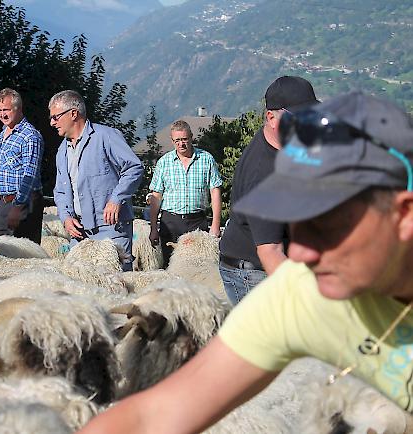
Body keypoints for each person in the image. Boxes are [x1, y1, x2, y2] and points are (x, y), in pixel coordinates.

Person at [78, 91, 413, 433]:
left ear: (403, 215)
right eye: (295, 225)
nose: (299, 253)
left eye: (326, 227)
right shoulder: (301, 294)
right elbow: (157, 414)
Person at [218, 76, 318, 305]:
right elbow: (270, 251)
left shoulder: (281, 143)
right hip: (253, 273)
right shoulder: (264, 176)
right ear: (271, 118)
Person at [50, 90, 143, 271]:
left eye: (55, 117)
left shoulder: (106, 136)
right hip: (79, 234)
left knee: (117, 288)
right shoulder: (63, 149)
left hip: (111, 229)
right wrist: (66, 217)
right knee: (80, 289)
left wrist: (117, 199)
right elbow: (60, 191)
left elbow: (134, 168)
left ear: (73, 113)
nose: (52, 123)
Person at [148, 120, 222, 268]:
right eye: (177, 141)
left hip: (197, 222)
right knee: (170, 269)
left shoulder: (206, 159)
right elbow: (156, 197)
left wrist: (215, 225)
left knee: (200, 268)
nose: (181, 144)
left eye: (184, 139)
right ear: (172, 141)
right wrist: (153, 229)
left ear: (191, 137)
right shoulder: (164, 162)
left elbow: (215, 191)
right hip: (170, 223)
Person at [0, 88, 44, 244]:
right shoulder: (3, 133)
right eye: (0, 110)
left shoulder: (30, 136)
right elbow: (3, 169)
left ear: (19, 109)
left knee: (23, 251)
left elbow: (30, 173)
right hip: (4, 201)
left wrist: (18, 206)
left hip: (23, 202)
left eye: (7, 110)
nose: (3, 114)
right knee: (1, 247)